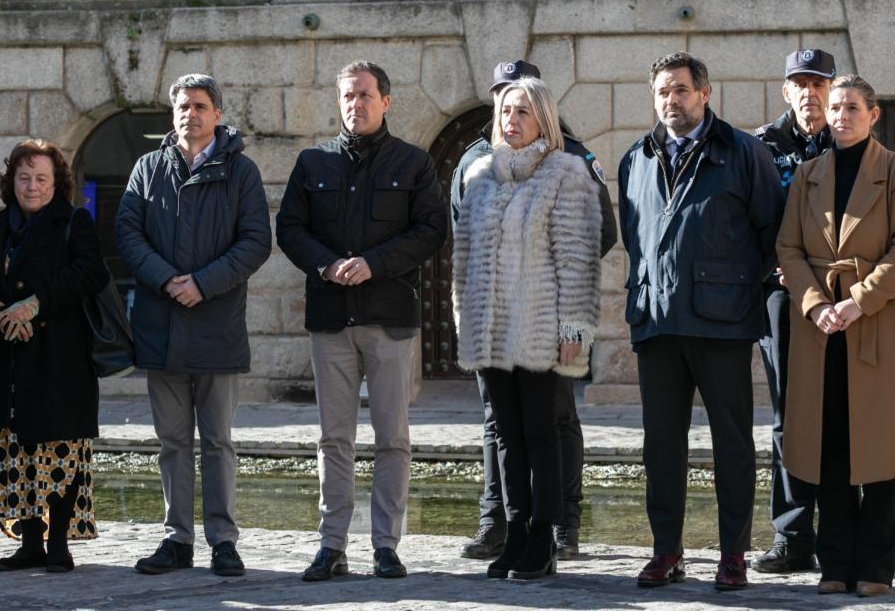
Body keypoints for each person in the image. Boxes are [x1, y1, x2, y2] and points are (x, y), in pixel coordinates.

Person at [618, 52, 784, 592]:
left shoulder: (743, 151)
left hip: (722, 324)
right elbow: (635, 237)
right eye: (663, 92)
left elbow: (771, 232)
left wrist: (733, 290)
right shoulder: (636, 158)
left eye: (682, 90)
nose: (672, 100)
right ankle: (666, 551)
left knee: (731, 443)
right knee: (661, 445)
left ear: (704, 93)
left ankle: (733, 553)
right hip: (657, 324)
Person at [276, 60, 448, 582]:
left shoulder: (413, 163)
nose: (356, 103)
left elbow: (431, 231)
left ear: (385, 102)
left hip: (390, 320)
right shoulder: (313, 163)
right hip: (331, 320)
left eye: (365, 95)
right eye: (348, 96)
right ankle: (331, 546)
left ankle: (385, 546)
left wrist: (375, 262)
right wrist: (327, 265)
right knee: (334, 439)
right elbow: (290, 228)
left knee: (392, 438)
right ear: (339, 101)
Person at [451, 60, 616, 562]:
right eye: (505, 110)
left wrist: (573, 329)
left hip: (542, 326)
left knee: (545, 429)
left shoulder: (568, 172)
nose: (511, 119)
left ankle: (547, 534)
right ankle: (513, 531)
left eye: (522, 111)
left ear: (543, 118)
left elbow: (580, 256)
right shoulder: (479, 172)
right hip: (491, 328)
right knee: (504, 431)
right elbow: (464, 256)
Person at [115, 74, 271, 577]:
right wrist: (166, 279)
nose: (191, 114)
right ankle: (176, 539)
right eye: (183, 106)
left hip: (216, 326)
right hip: (161, 327)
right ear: (173, 113)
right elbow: (127, 232)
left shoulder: (241, 171)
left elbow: (255, 242)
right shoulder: (147, 168)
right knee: (172, 442)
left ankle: (223, 541)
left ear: (217, 114)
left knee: (218, 441)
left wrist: (202, 283)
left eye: (201, 106)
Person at [0, 139, 109, 573]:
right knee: (16, 453)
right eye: (24, 177)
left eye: (42, 178)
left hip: (59, 357)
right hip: (5, 358)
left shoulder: (74, 222)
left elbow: (90, 272)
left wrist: (34, 304)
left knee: (60, 449)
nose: (32, 186)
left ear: (56, 182)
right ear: (11, 182)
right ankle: (29, 544)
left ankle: (58, 544)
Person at [777, 74, 895, 598]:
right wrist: (816, 304)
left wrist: (859, 300)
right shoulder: (808, 174)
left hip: (878, 324)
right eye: (836, 108)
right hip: (820, 331)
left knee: (882, 450)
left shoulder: (892, 171)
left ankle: (876, 565)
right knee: (831, 448)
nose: (841, 116)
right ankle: (835, 563)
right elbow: (788, 249)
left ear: (873, 115)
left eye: (852, 108)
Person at [751, 48, 836, 573]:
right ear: (786, 91)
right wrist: (777, 268)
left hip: (842, 296)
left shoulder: (851, 139)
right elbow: (747, 218)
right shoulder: (761, 146)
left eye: (818, 84)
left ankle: (844, 535)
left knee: (843, 412)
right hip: (782, 296)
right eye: (800, 84)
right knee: (789, 415)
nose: (810, 93)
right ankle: (794, 535)